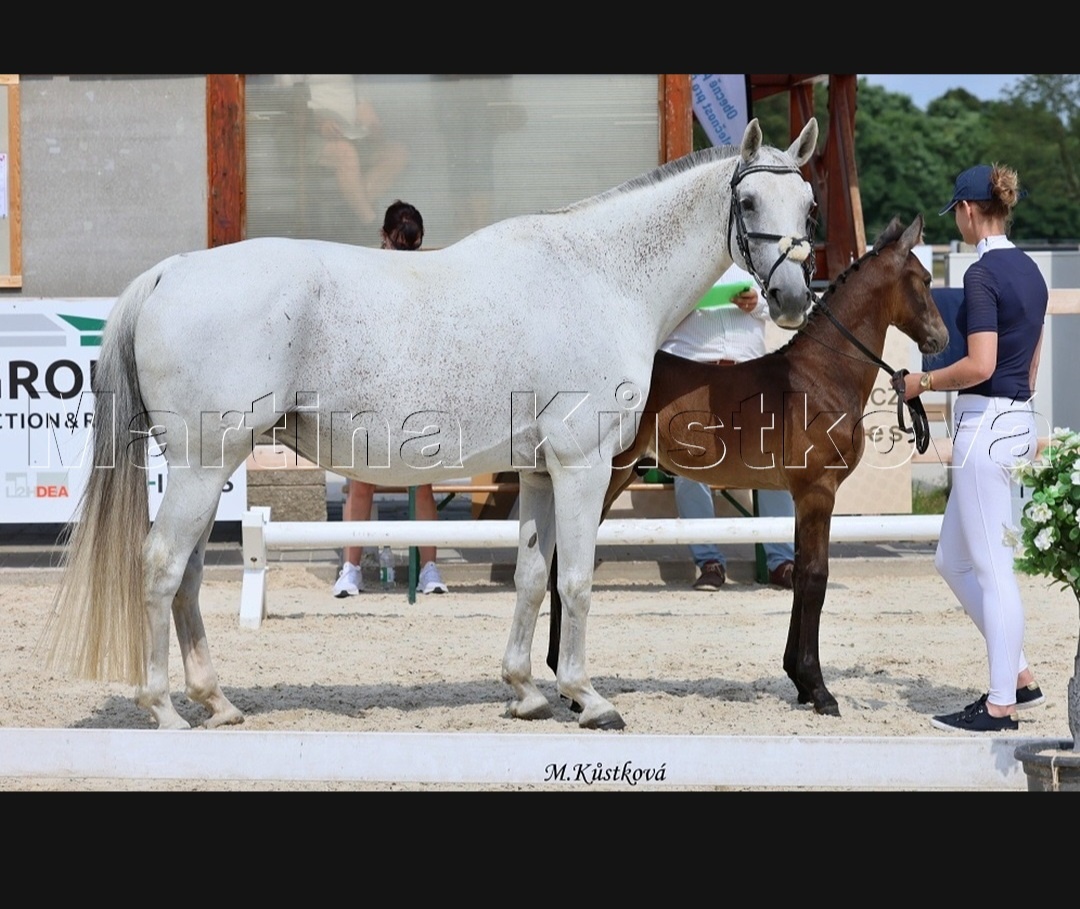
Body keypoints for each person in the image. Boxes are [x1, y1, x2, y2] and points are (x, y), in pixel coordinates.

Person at [903, 163, 1048, 732]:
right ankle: (1019, 676)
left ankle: (999, 706)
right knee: (952, 559)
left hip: (985, 428)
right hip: (1015, 418)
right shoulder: (1031, 271)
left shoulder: (983, 275)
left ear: (967, 211)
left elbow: (980, 363)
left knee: (992, 571)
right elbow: (1029, 364)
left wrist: (923, 383)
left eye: (955, 214)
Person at [333, 201, 449, 597]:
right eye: (398, 244)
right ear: (384, 238)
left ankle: (429, 568)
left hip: (417, 388)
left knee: (423, 482)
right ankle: (350, 568)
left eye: (409, 246)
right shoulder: (364, 274)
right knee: (362, 481)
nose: (403, 253)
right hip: (371, 389)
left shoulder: (429, 278)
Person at [660, 263, 797, 591]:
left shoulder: (753, 258)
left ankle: (783, 561)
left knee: (771, 461)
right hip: (691, 373)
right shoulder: (679, 262)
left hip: (748, 371)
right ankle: (708, 561)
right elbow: (656, 311)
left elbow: (783, 309)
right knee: (689, 466)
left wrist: (757, 303)